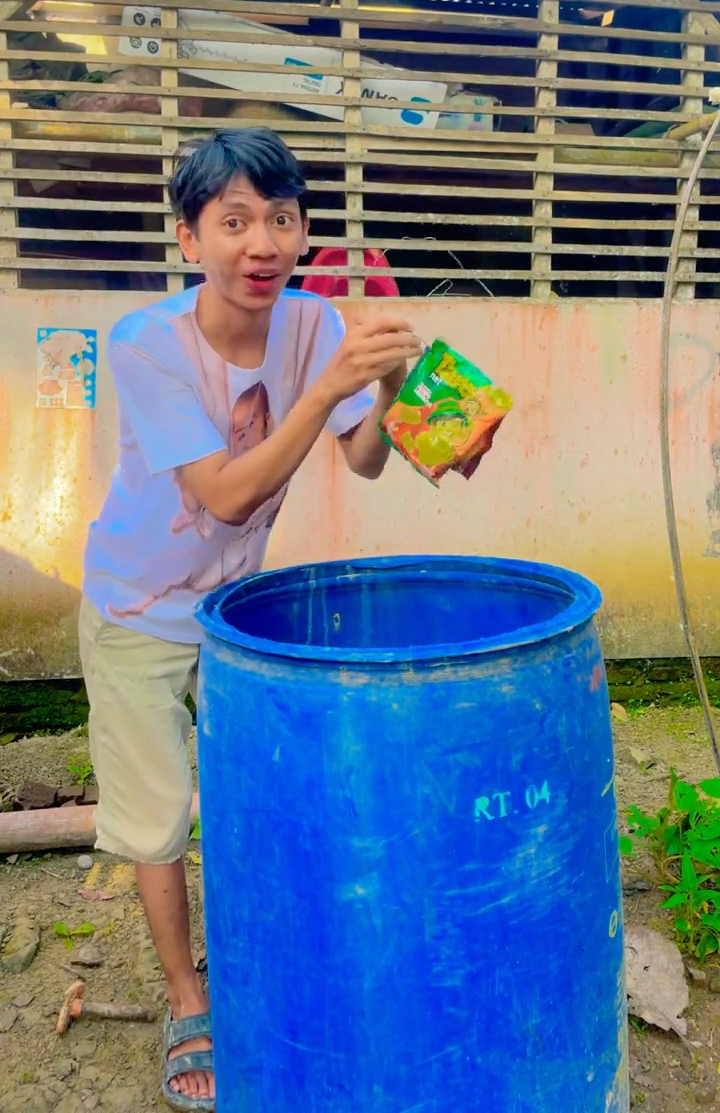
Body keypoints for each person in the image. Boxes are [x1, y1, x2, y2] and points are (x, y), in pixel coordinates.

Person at [79, 128, 421, 1112]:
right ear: (190, 237)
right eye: (233, 221)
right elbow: (226, 495)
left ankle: (268, 949)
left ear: (303, 230)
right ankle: (189, 1000)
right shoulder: (147, 342)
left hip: (234, 611)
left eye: (281, 217)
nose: (261, 242)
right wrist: (328, 387)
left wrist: (387, 379)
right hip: (137, 607)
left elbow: (364, 459)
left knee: (252, 787)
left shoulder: (313, 321)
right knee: (157, 817)